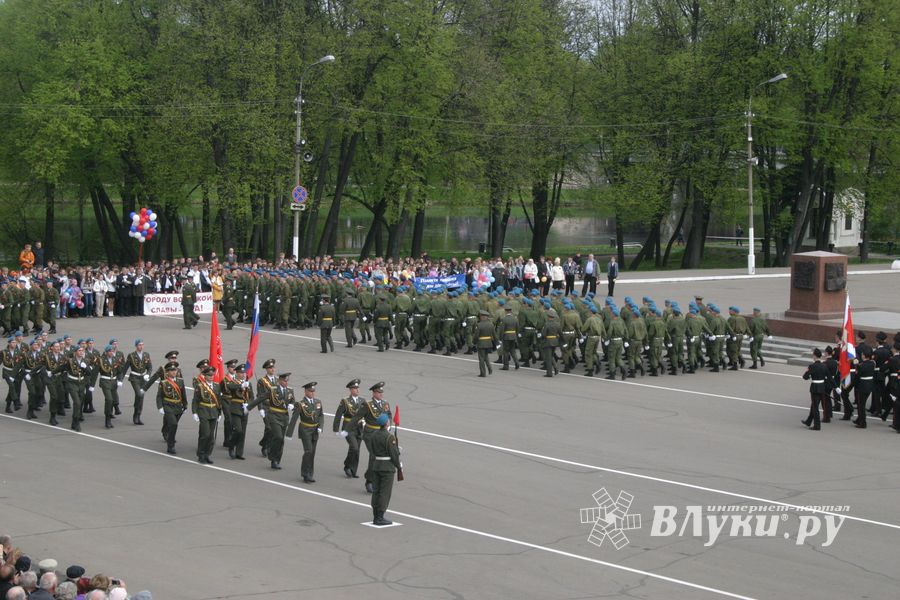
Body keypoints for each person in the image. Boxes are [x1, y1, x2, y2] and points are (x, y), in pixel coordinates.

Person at [350, 381, 392, 494]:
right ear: (373, 393)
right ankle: (369, 481)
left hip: (381, 433)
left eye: (381, 392)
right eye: (378, 392)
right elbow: (356, 417)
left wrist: (389, 426)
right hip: (370, 433)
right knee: (374, 455)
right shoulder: (367, 404)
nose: (381, 394)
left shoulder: (385, 403)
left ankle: (372, 476)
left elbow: (389, 415)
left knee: (378, 457)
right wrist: (347, 429)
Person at [250, 369, 294, 470]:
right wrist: (249, 407)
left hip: (284, 418)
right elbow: (261, 397)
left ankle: (277, 460)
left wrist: (292, 405)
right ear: (280, 381)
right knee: (277, 436)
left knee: (281, 440)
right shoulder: (273, 389)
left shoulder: (290, 390)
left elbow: (293, 401)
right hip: (273, 415)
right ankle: (272, 457)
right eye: (284, 381)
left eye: (287, 381)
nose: (286, 382)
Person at [288, 381, 324, 483]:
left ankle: (310, 473)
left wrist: (321, 426)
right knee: (308, 451)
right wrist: (289, 434)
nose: (312, 393)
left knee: (312, 453)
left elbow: (321, 415)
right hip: (305, 429)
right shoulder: (301, 404)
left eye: (313, 391)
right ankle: (305, 473)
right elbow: (294, 419)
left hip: (315, 431)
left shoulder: (318, 402)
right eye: (310, 391)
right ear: (305, 391)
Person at [369, 413, 401, 526]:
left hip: (376, 465)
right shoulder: (389, 437)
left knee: (376, 491)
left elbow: (372, 450)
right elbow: (394, 454)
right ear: (386, 423)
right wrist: (398, 465)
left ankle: (375, 515)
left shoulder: (374, 435)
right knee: (384, 493)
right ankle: (380, 517)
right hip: (387, 467)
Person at [191, 365, 223, 464]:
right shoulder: (200, 386)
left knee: (211, 437)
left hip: (213, 412)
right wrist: (194, 412)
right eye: (209, 375)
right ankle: (200, 454)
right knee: (205, 434)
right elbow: (195, 400)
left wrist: (219, 413)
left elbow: (219, 400)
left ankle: (207, 454)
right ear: (205, 376)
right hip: (203, 411)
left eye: (212, 375)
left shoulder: (217, 386)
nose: (211, 377)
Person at [333, 379, 364, 478]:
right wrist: (336, 429)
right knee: (354, 447)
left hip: (359, 428)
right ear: (350, 390)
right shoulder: (345, 401)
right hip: (348, 427)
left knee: (357, 450)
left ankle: (353, 470)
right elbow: (338, 415)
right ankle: (347, 466)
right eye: (355, 388)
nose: (357, 390)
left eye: (357, 388)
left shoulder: (362, 401)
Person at [222, 364, 251, 460]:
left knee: (243, 432)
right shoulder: (233, 382)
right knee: (238, 430)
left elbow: (252, 397)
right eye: (240, 373)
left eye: (244, 373)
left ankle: (239, 453)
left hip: (245, 409)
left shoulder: (248, 384)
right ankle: (231, 445)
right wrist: (241, 385)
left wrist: (248, 405)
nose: (243, 375)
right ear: (237, 373)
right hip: (235, 408)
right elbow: (230, 387)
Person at [156, 362, 186, 454]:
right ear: (167, 372)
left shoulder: (180, 381)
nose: (174, 372)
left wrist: (185, 405)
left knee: (173, 425)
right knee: (173, 424)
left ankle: (169, 437)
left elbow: (183, 394)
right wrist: (160, 407)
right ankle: (171, 445)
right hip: (168, 406)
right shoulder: (164, 382)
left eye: (175, 370)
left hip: (178, 406)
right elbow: (159, 396)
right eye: (171, 370)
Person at [123, 339, 152, 425]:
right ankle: (136, 415)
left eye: (142, 345)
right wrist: (120, 379)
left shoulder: (146, 355)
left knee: (141, 396)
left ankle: (138, 416)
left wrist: (148, 374)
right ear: (136, 346)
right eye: (139, 345)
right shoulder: (131, 355)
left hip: (143, 378)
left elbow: (149, 367)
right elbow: (125, 368)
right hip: (134, 378)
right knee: (139, 394)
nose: (141, 346)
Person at [801, 348, 830, 430]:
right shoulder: (824, 365)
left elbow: (805, 377)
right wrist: (836, 387)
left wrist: (807, 372)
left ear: (814, 356)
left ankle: (817, 425)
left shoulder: (812, 366)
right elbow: (829, 378)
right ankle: (808, 421)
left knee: (815, 407)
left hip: (815, 388)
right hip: (822, 387)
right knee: (814, 405)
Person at [475, 310, 497, 377]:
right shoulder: (491, 324)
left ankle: (483, 373)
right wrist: (497, 342)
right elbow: (494, 335)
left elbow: (476, 336)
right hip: (488, 343)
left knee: (481, 358)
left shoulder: (479, 325)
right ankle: (490, 368)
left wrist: (474, 342)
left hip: (481, 343)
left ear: (482, 317)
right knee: (486, 356)